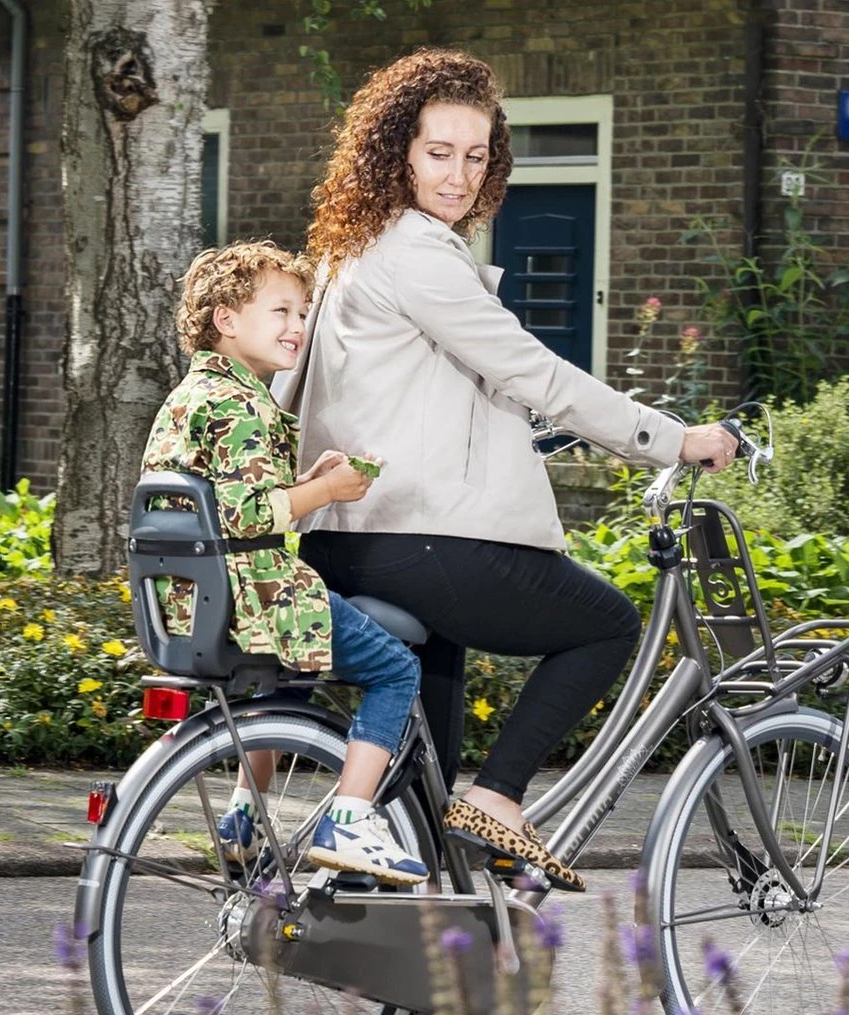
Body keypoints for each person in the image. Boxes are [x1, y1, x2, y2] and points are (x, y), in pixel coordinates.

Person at [275, 49, 738, 893]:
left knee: (422, 789)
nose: (459, 175)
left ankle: (423, 986)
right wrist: (672, 440)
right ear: (397, 152)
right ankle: (501, 799)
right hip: (416, 536)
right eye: (439, 152)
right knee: (604, 625)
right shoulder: (416, 252)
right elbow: (538, 375)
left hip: (345, 538)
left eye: (477, 155)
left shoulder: (352, 250)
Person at [141, 240, 426, 885]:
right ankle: (351, 819)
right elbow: (241, 515)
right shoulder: (243, 404)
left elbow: (221, 495)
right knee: (394, 671)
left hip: (193, 597)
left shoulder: (193, 396)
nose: (298, 327)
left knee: (283, 684)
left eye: (302, 313)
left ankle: (244, 816)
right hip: (254, 598)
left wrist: (305, 478)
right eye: (281, 312)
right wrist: (325, 492)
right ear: (226, 319)